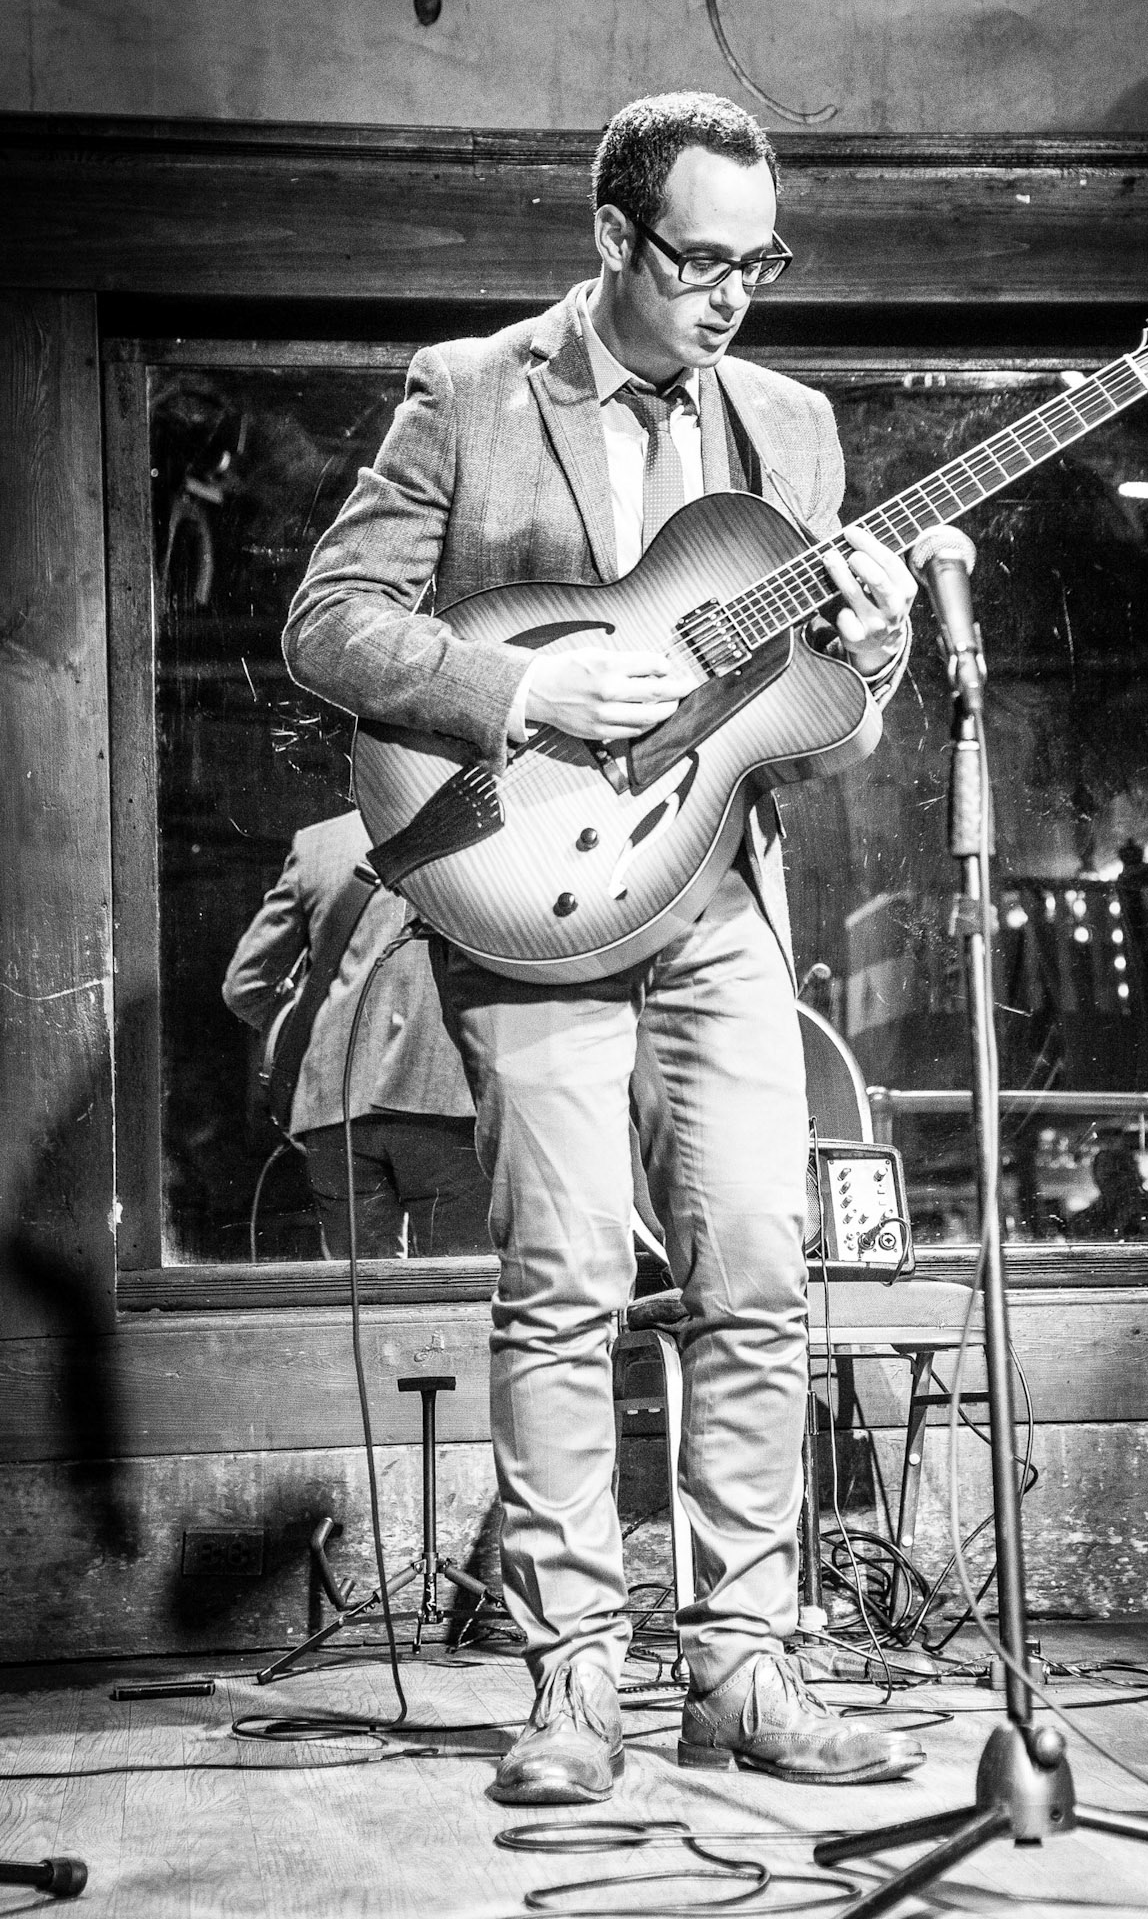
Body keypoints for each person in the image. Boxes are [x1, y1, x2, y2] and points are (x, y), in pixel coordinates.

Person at [282, 92, 920, 1801]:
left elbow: (808, 730)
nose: (730, 295)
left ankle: (743, 1669)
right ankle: (570, 1678)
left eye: (757, 261)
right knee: (561, 1282)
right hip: (531, 890)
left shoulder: (789, 424)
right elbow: (327, 626)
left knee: (758, 1274)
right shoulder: (471, 389)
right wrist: (526, 683)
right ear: (612, 235)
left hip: (717, 897)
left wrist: (874, 652)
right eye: (698, 260)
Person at [223, 809, 480, 1258]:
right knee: (461, 1282)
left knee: (361, 1288)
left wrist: (323, 1029)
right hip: (446, 1095)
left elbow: (244, 986)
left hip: (332, 1104)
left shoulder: (319, 843)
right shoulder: (483, 828)